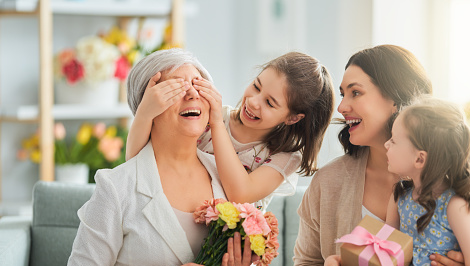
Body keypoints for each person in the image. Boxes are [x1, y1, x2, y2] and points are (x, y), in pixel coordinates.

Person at [61, 49, 291, 266]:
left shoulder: (227, 178)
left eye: (199, 84)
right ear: (148, 106)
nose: (192, 93)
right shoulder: (117, 186)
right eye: (176, 87)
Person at [292, 45, 470, 266]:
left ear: (397, 102)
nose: (342, 107)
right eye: (343, 93)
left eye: (355, 93)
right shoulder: (331, 182)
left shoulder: (452, 189)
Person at [125, 51, 335, 211]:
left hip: (229, 251)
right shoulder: (208, 117)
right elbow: (140, 162)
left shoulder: (285, 157)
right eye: (256, 86)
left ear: (292, 118)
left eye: (270, 103)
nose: (253, 102)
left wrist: (216, 124)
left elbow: (240, 193)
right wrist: (145, 112)